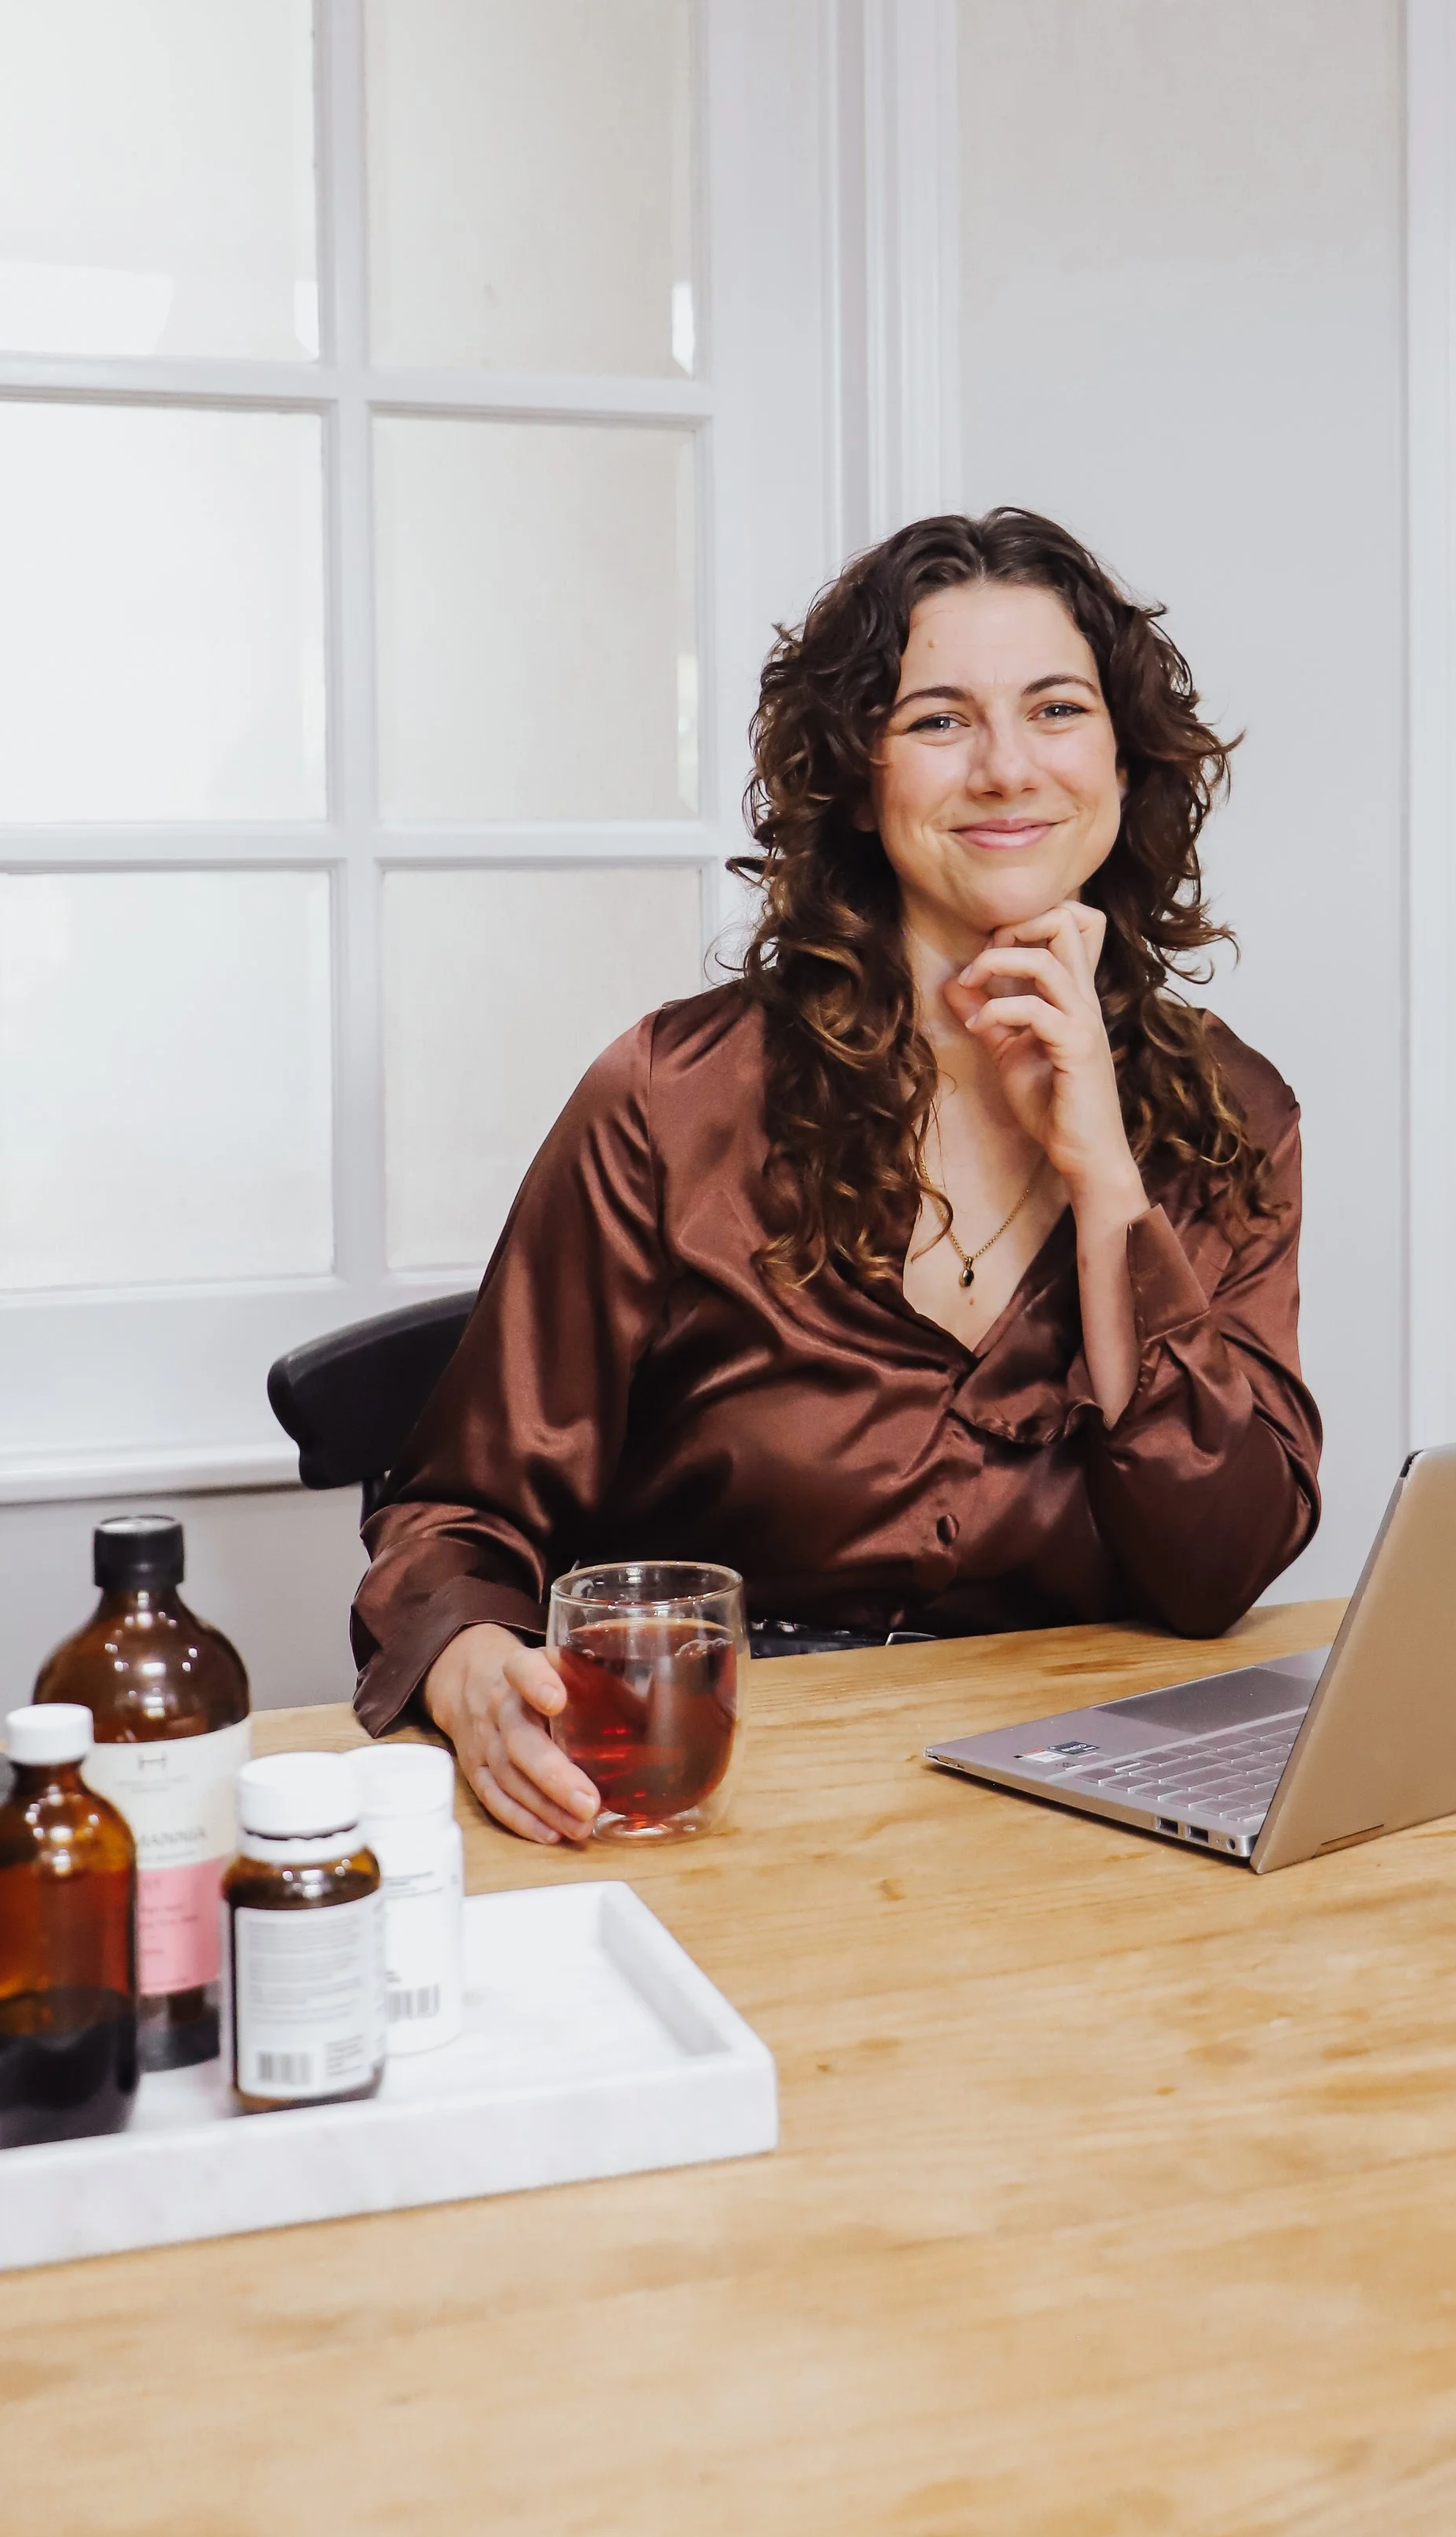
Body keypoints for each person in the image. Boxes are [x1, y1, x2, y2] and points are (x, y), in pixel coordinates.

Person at [352, 508, 1321, 1840]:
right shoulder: (672, 1100)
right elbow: (460, 1512)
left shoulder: (1232, 1115)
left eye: (1056, 708)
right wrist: (467, 1670)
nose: (1005, 767)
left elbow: (1218, 1569)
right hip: (719, 1800)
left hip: (1083, 1821)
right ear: (856, 774)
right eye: (937, 720)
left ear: (1121, 757)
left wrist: (1107, 1181)